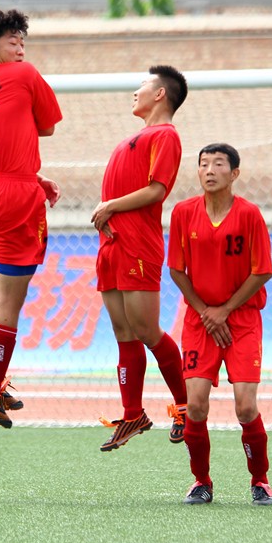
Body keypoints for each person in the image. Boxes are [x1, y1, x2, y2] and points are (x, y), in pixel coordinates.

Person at [0, 8, 63, 429]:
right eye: (12, 42)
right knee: (10, 300)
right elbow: (49, 126)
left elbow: (2, 137)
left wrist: (33, 176)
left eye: (23, 41)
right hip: (14, 196)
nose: (21, 48)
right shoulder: (25, 75)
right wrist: (28, 181)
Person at [167, 143, 272, 506]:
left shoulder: (250, 215)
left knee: (245, 407)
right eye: (203, 164)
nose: (209, 170)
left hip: (241, 320)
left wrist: (225, 310)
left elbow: (262, 271)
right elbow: (176, 271)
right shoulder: (183, 213)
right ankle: (201, 482)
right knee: (195, 406)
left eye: (218, 164)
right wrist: (206, 311)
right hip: (200, 322)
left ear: (234, 174)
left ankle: (260, 481)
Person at [91, 65, 190, 452]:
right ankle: (133, 413)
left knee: (147, 331)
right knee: (123, 333)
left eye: (142, 86)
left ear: (160, 94)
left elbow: (156, 190)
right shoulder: (136, 137)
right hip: (113, 245)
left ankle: (184, 406)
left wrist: (110, 205)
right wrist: (106, 216)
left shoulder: (166, 136)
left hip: (138, 246)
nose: (136, 92)